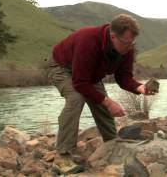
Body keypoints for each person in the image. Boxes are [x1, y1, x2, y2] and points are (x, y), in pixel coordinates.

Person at [46, 14, 156, 174]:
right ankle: (62, 156)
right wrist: (109, 102)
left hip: (89, 73)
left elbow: (124, 77)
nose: (129, 47)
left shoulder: (126, 49)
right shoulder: (88, 40)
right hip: (62, 67)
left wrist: (140, 88)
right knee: (77, 98)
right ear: (113, 36)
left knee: (101, 102)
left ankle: (112, 142)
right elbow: (80, 82)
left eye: (132, 43)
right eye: (126, 43)